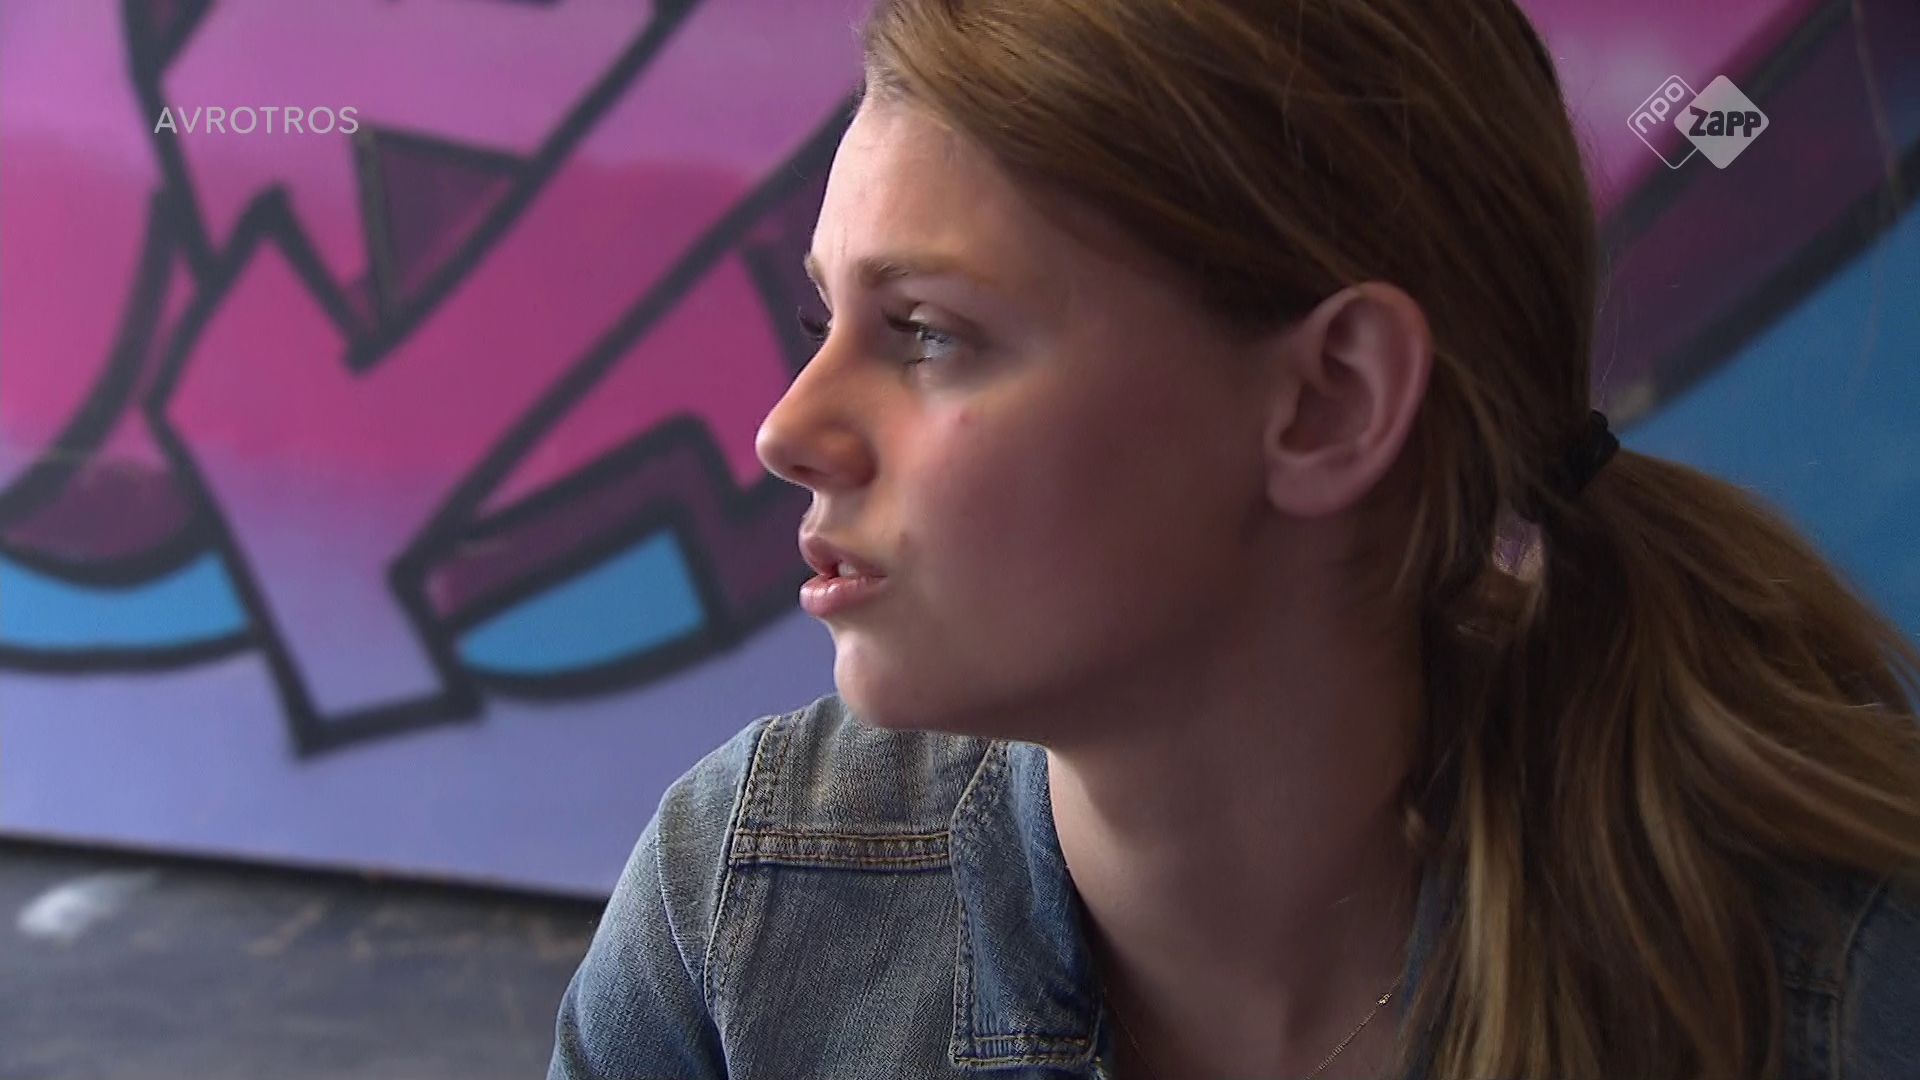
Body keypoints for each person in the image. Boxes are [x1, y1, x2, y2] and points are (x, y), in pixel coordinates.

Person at [549, 1, 1920, 1077]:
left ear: (1331, 402)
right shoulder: (744, 910)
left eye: (926, 333)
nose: (787, 431)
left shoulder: (1831, 996)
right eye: (820, 322)